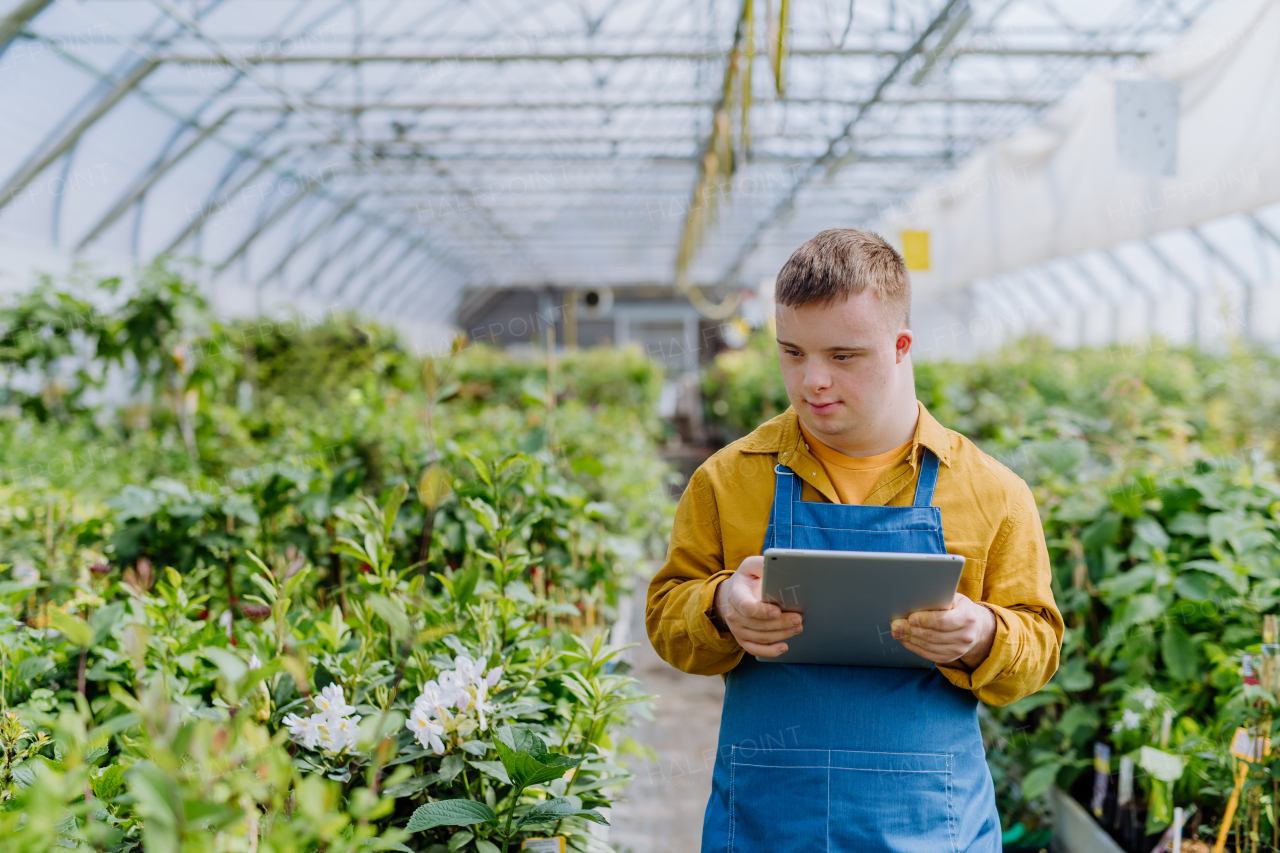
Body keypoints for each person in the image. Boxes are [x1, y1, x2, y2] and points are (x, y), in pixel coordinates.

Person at [646, 229, 1063, 852]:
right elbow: (666, 617)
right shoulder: (729, 480)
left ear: (901, 347)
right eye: (792, 352)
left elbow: (1038, 647)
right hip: (769, 821)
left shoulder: (989, 493)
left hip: (928, 827)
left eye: (843, 356)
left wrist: (981, 635)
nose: (812, 380)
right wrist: (719, 607)